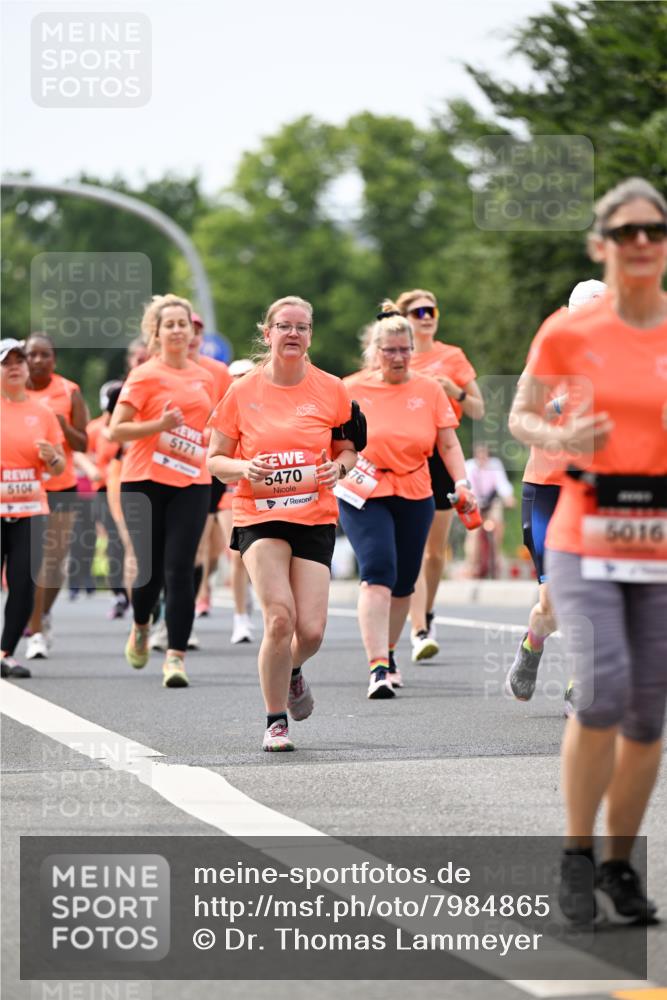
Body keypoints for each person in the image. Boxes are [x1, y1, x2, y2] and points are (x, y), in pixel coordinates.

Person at [509, 177, 667, 924]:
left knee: (645, 710)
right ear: (600, 245)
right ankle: (575, 854)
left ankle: (617, 864)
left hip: (658, 538)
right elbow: (520, 417)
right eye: (625, 232)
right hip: (583, 530)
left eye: (654, 231)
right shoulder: (568, 332)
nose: (641, 244)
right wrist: (559, 437)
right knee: (602, 690)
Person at [207, 295, 357, 751]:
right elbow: (215, 458)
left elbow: (349, 448)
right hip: (259, 514)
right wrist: (243, 469)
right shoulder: (243, 390)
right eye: (284, 326)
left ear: (311, 335)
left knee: (309, 632)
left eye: (302, 327)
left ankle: (292, 669)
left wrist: (341, 468)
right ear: (267, 333)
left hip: (313, 515)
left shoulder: (331, 388)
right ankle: (275, 721)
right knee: (279, 618)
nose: (293, 334)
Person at [336, 302, 477, 699]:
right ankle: (377, 666)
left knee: (403, 583)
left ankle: (391, 650)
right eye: (389, 350)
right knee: (378, 568)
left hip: (417, 490)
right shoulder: (350, 389)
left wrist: (463, 482)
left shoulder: (430, 389)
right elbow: (330, 440)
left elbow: (448, 442)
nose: (398, 357)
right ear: (374, 351)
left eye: (404, 350)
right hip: (365, 492)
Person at [506, 279, 607, 702]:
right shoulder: (549, 355)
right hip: (547, 489)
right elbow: (521, 415)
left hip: (599, 490)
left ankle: (579, 683)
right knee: (553, 602)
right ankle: (533, 644)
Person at [109, 294, 215, 688]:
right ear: (155, 332)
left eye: (182, 323)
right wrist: (159, 426)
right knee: (150, 571)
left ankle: (176, 657)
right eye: (168, 324)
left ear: (191, 330)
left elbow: (213, 424)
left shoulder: (205, 375)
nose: (177, 330)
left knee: (180, 570)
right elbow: (116, 429)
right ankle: (140, 625)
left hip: (192, 481)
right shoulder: (144, 375)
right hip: (144, 480)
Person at [396, 289, 484, 662]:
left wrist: (455, 393)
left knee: (435, 552)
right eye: (418, 312)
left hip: (442, 453)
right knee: (414, 550)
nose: (426, 316)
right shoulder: (394, 355)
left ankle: (427, 613)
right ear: (404, 319)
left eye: (431, 310)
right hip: (406, 455)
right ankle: (418, 629)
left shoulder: (452, 357)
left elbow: (479, 410)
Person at [1, 339, 65, 678]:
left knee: (24, 583)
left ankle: (6, 651)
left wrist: (52, 458)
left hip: (29, 507)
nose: (14, 366)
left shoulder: (41, 413)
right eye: (6, 362)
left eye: (19, 361)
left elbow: (59, 466)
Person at [24, 333, 89, 659]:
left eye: (44, 355)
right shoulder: (13, 391)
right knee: (32, 561)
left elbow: (83, 444)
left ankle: (43, 615)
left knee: (55, 562)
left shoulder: (69, 391)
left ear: (54, 359)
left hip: (62, 486)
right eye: (31, 355)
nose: (37, 361)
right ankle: (34, 632)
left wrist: (61, 426)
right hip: (23, 488)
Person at [217, 358, 256, 644]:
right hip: (229, 493)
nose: (240, 380)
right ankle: (240, 618)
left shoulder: (266, 409)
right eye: (235, 376)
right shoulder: (222, 412)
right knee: (237, 555)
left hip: (264, 494)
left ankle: (257, 601)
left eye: (246, 375)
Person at [463, 443, 516, 578]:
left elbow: (502, 483)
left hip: (492, 501)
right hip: (475, 502)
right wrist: (474, 503)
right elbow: (468, 487)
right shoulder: (469, 466)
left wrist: (508, 497)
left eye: (484, 454)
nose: (482, 457)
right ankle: (472, 563)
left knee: (498, 523)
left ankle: (496, 555)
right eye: (479, 454)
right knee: (473, 532)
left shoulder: (495, 465)